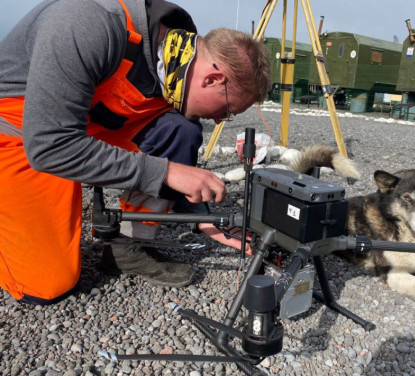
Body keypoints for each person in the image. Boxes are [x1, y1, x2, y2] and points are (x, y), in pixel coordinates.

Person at [0, 0, 272, 305]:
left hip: (89, 122)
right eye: (228, 109)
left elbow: (176, 147)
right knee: (46, 285)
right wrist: (167, 172)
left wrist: (202, 218)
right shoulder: (88, 24)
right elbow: (50, 145)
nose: (221, 120)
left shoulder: (178, 57)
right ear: (212, 79)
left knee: (181, 128)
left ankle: (128, 248)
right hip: (25, 133)